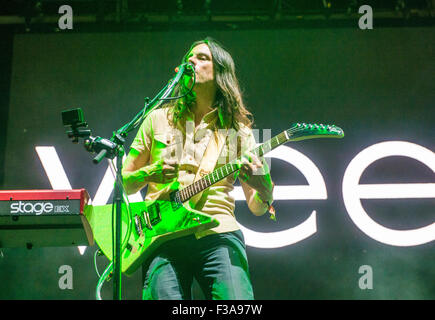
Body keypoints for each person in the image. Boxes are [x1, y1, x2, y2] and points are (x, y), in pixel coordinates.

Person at [122, 37, 274, 300]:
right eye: (188, 58)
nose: (191, 60)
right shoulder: (156, 119)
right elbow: (124, 183)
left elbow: (258, 207)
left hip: (219, 232)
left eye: (203, 57)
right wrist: (149, 173)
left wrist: (265, 185)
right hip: (163, 236)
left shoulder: (240, 132)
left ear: (221, 74)